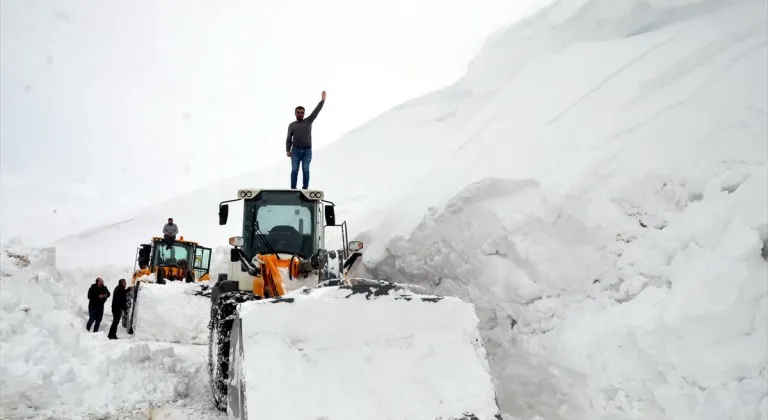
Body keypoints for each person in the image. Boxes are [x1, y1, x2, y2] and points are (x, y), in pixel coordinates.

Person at [286, 90, 326, 189]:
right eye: (298, 112)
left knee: (306, 169)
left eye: (302, 113)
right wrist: (288, 150)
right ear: (295, 113)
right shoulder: (292, 125)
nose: (300, 114)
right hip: (295, 150)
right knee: (294, 169)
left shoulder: (308, 121)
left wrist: (323, 100)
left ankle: (305, 188)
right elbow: (288, 138)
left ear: (304, 114)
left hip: (307, 150)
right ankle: (293, 188)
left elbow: (316, 111)